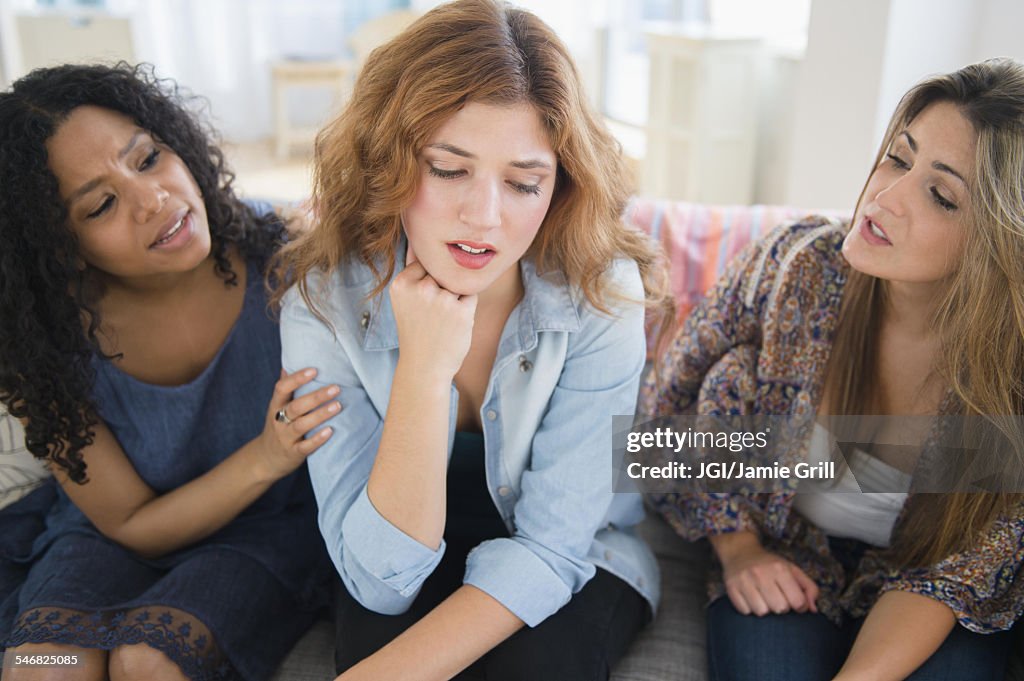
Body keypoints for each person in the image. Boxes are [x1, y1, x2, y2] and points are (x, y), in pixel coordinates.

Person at [274, 0, 673, 679]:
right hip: (396, 544)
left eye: (524, 182)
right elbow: (380, 577)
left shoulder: (602, 292)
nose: (484, 217)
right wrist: (424, 374)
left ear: (560, 184)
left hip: (573, 551)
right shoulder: (324, 300)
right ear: (390, 160)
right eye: (450, 169)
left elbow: (552, 546)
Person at [641, 58, 1024, 680]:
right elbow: (664, 425)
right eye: (899, 157)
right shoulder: (793, 268)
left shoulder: (1010, 375)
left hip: (933, 594)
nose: (885, 196)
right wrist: (739, 550)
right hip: (784, 553)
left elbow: (959, 571)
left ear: (1002, 243)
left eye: (941, 195)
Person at [0, 63, 335, 681]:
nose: (153, 199)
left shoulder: (284, 253)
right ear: (58, 249)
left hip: (262, 531)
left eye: (148, 158)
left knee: (150, 662)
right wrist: (266, 454)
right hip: (113, 539)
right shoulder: (40, 345)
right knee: (40, 665)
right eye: (101, 204)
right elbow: (129, 523)